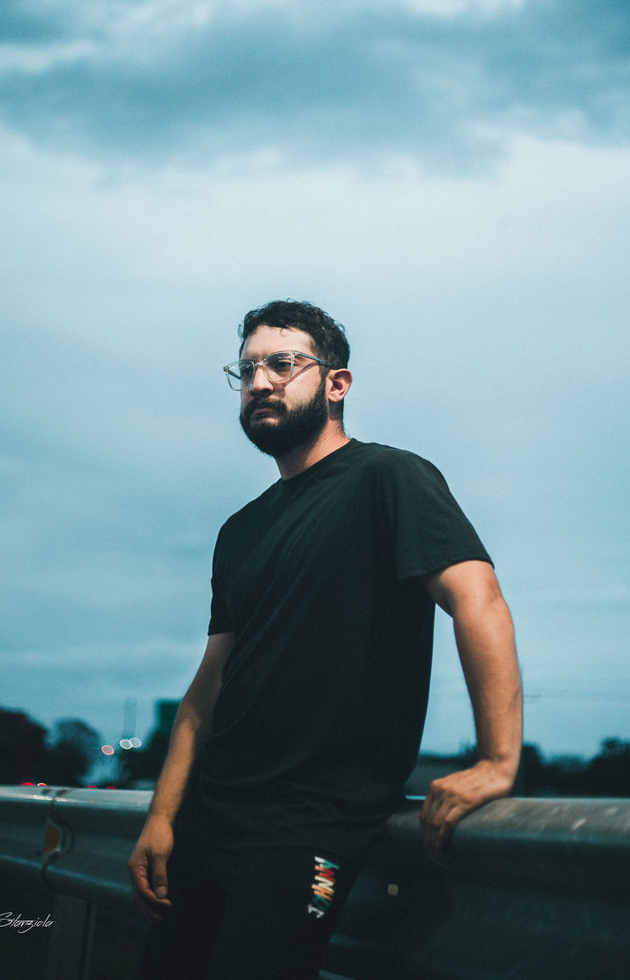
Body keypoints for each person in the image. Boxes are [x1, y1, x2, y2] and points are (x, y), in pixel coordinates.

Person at [128, 299, 522, 980]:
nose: (259, 382)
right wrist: (163, 818)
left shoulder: (389, 478)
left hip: (311, 826)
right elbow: (206, 691)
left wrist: (497, 760)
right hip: (209, 821)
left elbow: (478, 600)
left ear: (337, 383)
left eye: (282, 364)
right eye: (247, 370)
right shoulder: (240, 530)